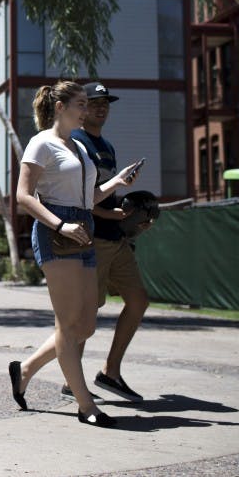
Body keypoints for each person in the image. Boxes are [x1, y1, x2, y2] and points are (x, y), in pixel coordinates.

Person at [7, 81, 140, 428]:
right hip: (57, 233)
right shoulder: (42, 143)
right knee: (68, 324)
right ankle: (86, 406)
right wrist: (58, 226)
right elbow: (23, 196)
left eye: (86, 104)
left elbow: (88, 199)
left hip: (84, 230)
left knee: (85, 325)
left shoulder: (78, 149)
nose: (86, 110)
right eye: (81, 104)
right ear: (60, 107)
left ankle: (25, 370)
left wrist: (116, 183)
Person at [66, 82, 150, 403]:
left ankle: (110, 373)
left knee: (138, 300)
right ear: (82, 108)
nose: (101, 108)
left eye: (106, 103)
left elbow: (109, 194)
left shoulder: (108, 146)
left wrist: (131, 218)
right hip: (93, 237)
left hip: (116, 237)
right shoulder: (76, 142)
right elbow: (82, 197)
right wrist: (112, 215)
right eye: (94, 103)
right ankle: (71, 379)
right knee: (88, 313)